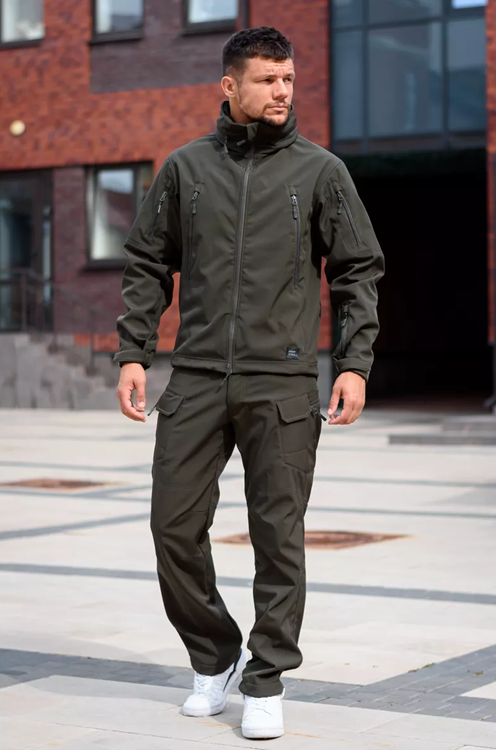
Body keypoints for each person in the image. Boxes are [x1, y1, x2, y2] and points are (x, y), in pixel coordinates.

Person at [115, 26, 384, 740]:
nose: (281, 91)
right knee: (172, 527)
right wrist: (134, 351)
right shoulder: (185, 168)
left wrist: (353, 362)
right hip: (198, 377)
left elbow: (358, 270)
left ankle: (266, 680)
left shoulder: (320, 171)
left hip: (283, 380)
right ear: (229, 86)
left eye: (287, 79)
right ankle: (215, 655)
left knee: (277, 536)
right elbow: (148, 261)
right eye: (267, 80)